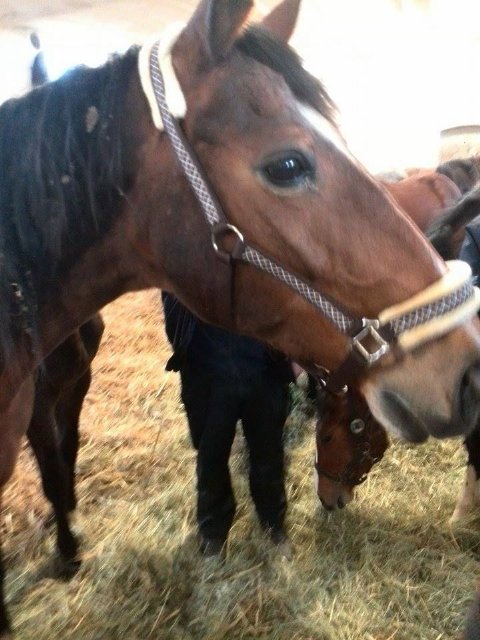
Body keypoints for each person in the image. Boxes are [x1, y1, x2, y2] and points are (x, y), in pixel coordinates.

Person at [161, 292, 294, 557]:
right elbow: (172, 285)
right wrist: (183, 346)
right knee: (211, 454)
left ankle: (273, 525)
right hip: (206, 364)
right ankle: (213, 531)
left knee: (268, 451)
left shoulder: (265, 249)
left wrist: (293, 355)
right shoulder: (192, 250)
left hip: (263, 363)